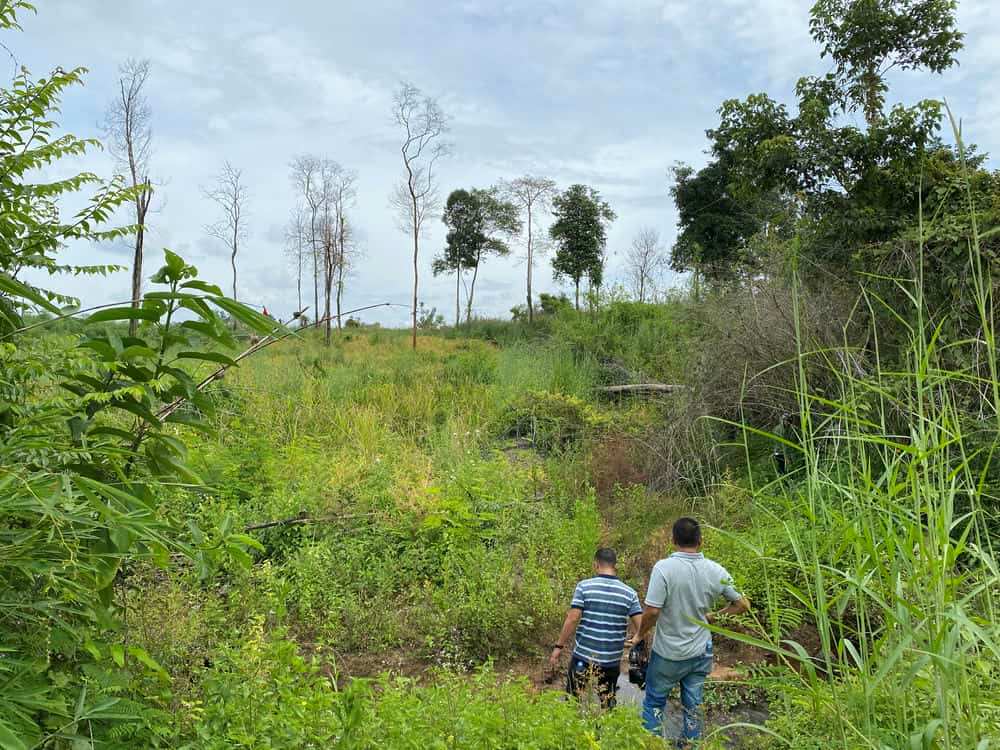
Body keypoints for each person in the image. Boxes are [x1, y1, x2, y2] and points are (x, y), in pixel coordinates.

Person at [631, 518, 750, 744]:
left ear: (673, 540)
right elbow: (743, 604)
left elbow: (653, 611)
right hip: (700, 652)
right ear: (700, 541)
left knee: (655, 702)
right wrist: (713, 617)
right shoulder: (716, 570)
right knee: (693, 706)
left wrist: (639, 634)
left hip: (668, 653)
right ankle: (690, 745)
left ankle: (652, 745)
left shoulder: (663, 568)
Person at [548, 547, 642, 709]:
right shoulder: (629, 593)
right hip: (611, 660)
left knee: (572, 699)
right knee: (608, 702)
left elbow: (572, 619)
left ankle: (574, 723)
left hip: (583, 658)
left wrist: (558, 647)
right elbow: (641, 626)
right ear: (615, 566)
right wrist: (635, 640)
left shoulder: (584, 587)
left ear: (596, 565)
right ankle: (605, 724)